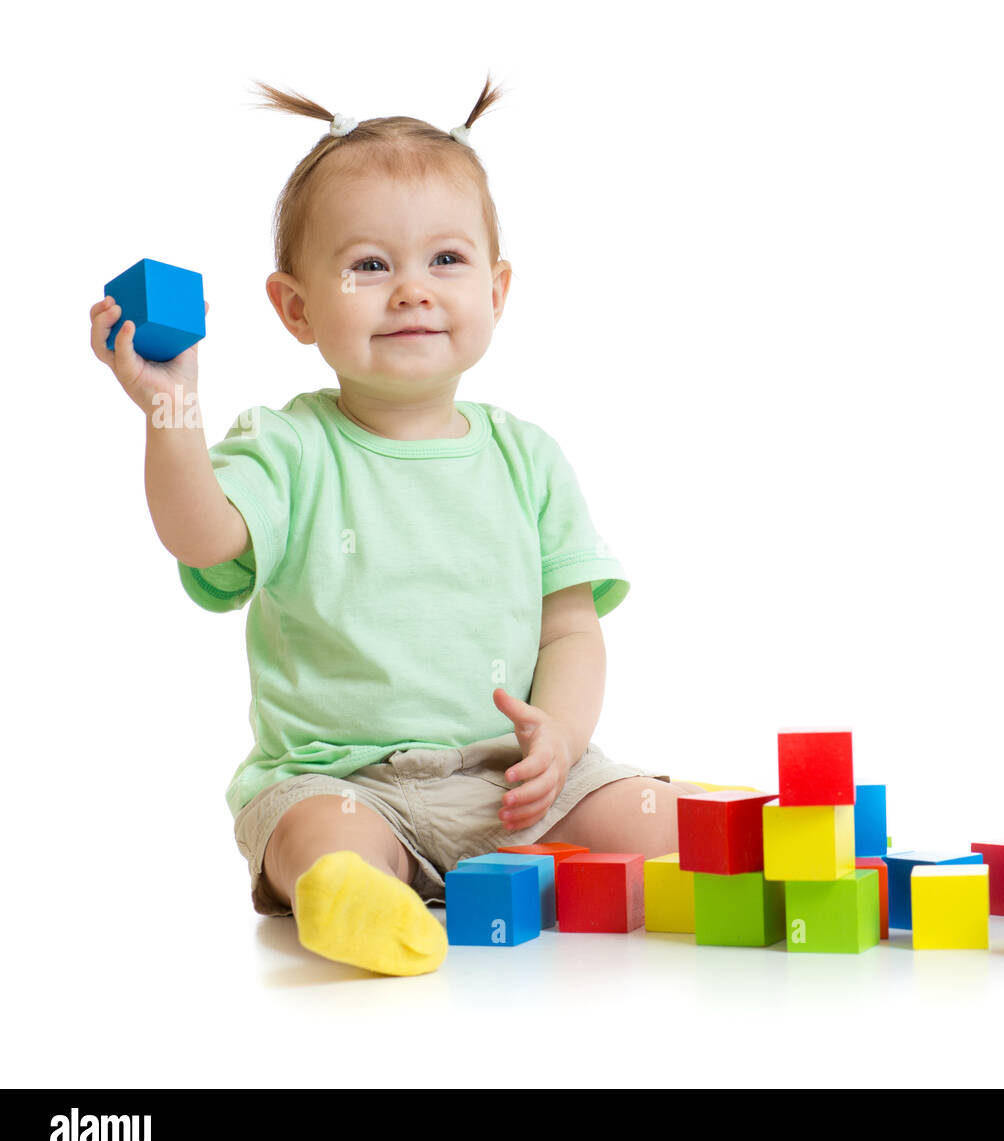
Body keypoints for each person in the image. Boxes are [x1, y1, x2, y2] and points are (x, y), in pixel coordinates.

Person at [89, 74, 705, 977]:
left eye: (446, 261)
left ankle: (734, 851)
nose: (412, 291)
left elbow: (573, 628)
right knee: (312, 835)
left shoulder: (527, 456)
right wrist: (170, 410)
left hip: (515, 779)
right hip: (345, 782)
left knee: (647, 812)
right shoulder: (288, 446)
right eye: (370, 265)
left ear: (498, 289)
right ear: (296, 308)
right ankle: (354, 899)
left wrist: (562, 737)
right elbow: (203, 538)